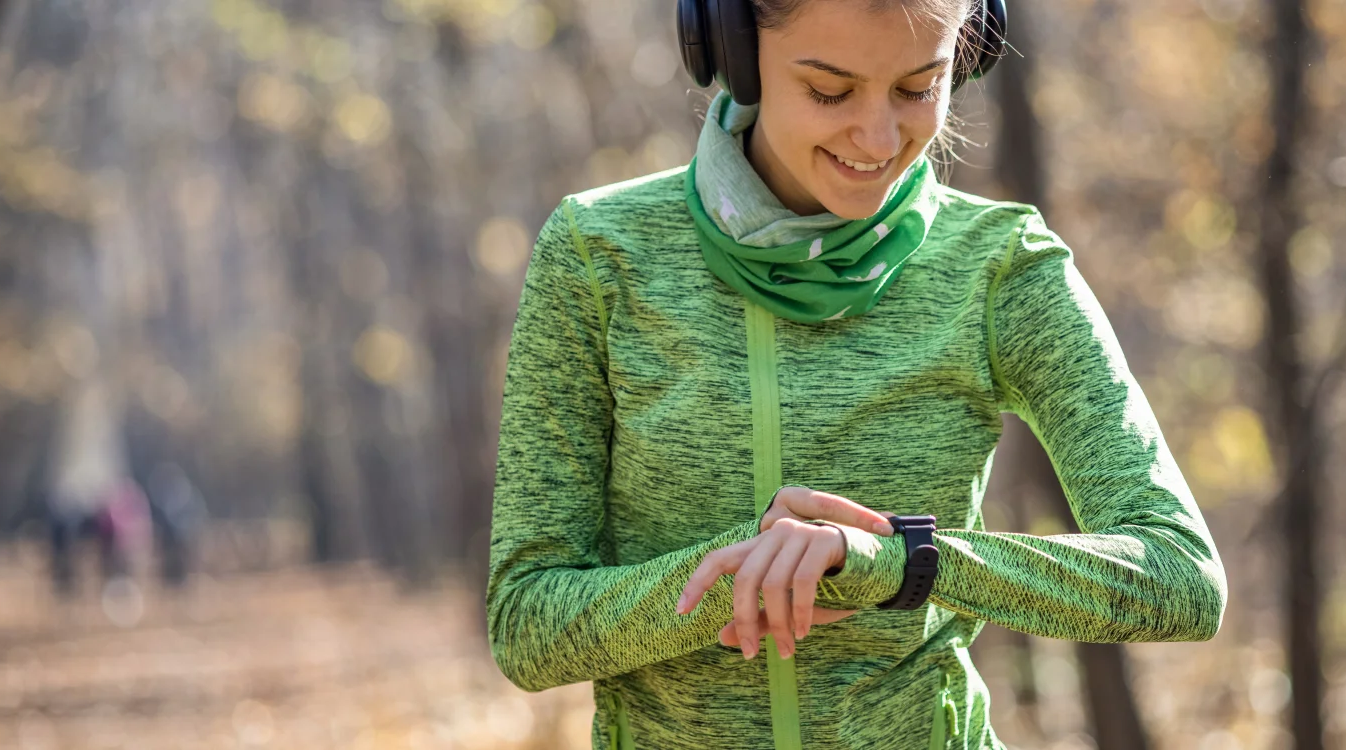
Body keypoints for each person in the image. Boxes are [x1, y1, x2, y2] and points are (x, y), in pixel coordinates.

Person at [485, 0, 1229, 747]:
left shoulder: (1003, 269)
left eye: (917, 88)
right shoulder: (597, 254)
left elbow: (1180, 579)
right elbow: (526, 625)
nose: (878, 138)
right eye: (829, 91)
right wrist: (741, 579)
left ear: (969, 53)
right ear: (734, 51)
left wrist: (902, 562)